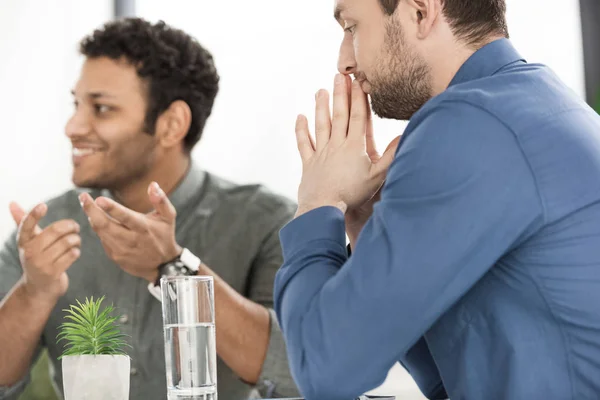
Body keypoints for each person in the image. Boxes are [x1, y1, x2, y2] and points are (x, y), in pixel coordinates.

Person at [274, 0, 600, 399]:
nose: (345, 61)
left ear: (420, 12)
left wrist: (317, 203)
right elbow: (453, 382)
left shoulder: (469, 120)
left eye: (351, 27)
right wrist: (366, 228)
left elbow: (323, 370)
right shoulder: (536, 101)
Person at [0, 18, 299, 400]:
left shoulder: (266, 223)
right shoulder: (45, 232)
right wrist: (33, 292)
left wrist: (172, 266)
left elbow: (299, 372)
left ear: (171, 124)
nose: (72, 126)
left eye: (102, 108)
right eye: (77, 104)